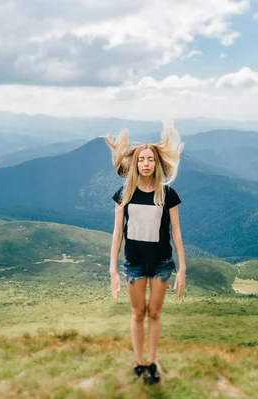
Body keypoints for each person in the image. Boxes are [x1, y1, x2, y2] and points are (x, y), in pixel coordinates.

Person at [102, 122, 186, 385]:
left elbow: (176, 233)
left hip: (162, 264)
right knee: (138, 314)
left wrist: (182, 269)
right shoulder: (124, 195)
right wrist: (112, 269)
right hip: (134, 265)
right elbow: (117, 234)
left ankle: (151, 363)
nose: (147, 164)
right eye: (142, 159)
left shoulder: (167, 194)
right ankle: (138, 363)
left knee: (155, 314)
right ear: (136, 164)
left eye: (151, 159)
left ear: (156, 163)